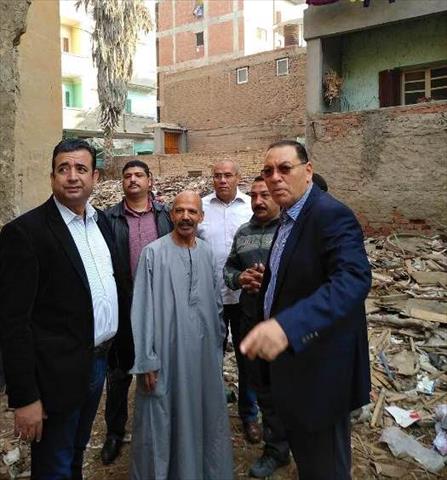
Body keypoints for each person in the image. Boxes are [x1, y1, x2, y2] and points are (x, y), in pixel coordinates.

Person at [241, 140, 371, 480]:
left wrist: (288, 326)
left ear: (308, 171)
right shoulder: (288, 218)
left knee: (325, 468)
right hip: (293, 370)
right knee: (308, 462)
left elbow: (353, 279)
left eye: (285, 169)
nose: (275, 178)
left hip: (320, 374)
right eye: (268, 171)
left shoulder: (330, 214)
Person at [0, 139, 126, 479]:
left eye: (81, 169)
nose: (72, 176)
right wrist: (25, 397)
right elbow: (13, 323)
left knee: (76, 452)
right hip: (54, 375)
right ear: (52, 177)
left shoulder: (101, 224)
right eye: (63, 169)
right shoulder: (25, 233)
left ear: (95, 177)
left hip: (97, 363)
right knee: (53, 465)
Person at [129, 191, 233, 480]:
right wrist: (147, 359)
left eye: (192, 211)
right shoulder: (153, 253)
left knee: (204, 413)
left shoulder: (207, 253)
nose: (186, 217)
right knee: (161, 416)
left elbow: (215, 304)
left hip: (202, 357)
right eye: (180, 211)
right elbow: (142, 309)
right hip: (165, 355)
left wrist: (216, 347)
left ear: (201, 217)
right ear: (171, 214)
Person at [101, 160, 172, 465]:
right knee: (119, 372)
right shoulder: (109, 218)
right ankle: (115, 433)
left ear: (149, 180)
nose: (133, 179)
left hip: (162, 303)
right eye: (127, 176)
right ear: (122, 182)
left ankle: (165, 427)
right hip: (125, 303)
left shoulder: (166, 215)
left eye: (139, 175)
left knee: (164, 365)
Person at [224, 176, 291, 478]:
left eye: (265, 195)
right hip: (250, 320)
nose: (258, 201)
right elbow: (229, 268)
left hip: (284, 323)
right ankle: (275, 449)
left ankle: (295, 442)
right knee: (260, 384)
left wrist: (273, 281)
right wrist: (240, 279)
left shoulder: (289, 231)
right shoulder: (244, 232)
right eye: (253, 196)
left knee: (287, 386)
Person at [198, 160, 261, 443]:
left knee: (247, 357)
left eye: (227, 175)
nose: (222, 180)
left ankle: (249, 414)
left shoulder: (251, 206)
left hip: (245, 297)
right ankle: (212, 413)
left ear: (238, 177)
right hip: (210, 297)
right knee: (211, 357)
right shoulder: (201, 208)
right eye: (217, 176)